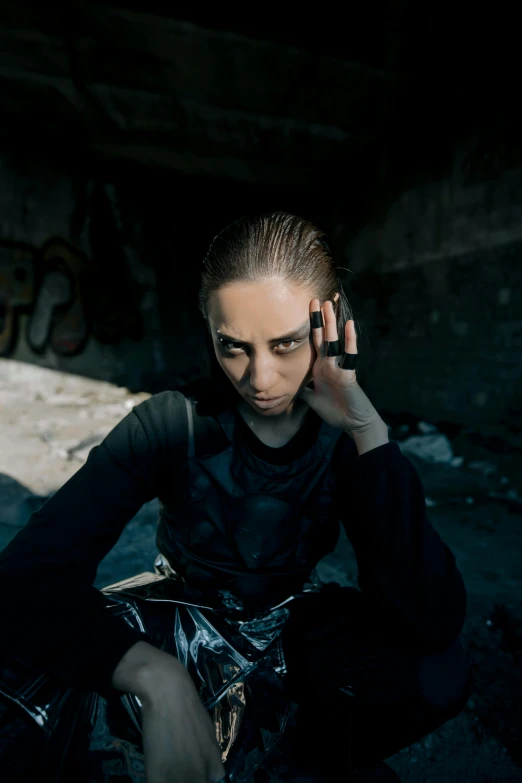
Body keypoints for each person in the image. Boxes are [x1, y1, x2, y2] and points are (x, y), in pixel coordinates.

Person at [0, 211, 471, 782]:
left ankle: (300, 760)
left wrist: (368, 433)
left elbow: (432, 618)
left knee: (437, 671)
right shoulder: (171, 423)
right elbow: (25, 578)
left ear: (331, 323)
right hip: (176, 621)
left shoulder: (345, 438)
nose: (260, 378)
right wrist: (154, 676)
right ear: (208, 328)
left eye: (285, 343)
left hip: (292, 630)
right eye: (233, 346)